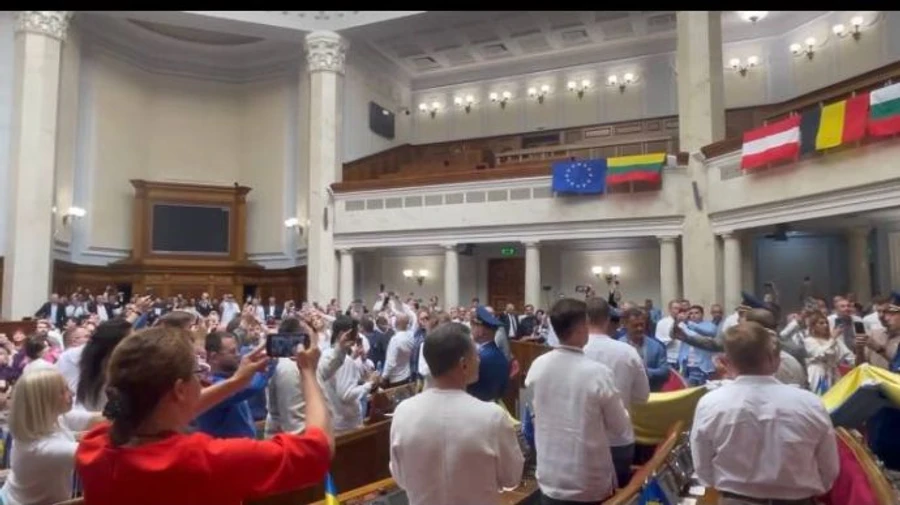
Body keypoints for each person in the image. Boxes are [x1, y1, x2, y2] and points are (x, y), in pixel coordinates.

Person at [75, 326, 334, 505]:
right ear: (179, 389)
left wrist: (235, 382)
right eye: (197, 372)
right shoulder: (207, 459)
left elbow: (159, 409)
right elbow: (318, 449)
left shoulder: (94, 447)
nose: (202, 379)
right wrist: (307, 372)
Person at [691, 322, 839, 505]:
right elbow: (829, 468)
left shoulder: (710, 403)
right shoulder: (810, 403)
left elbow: (703, 467)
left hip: (736, 500)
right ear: (774, 359)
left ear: (725, 362)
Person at [390, 322, 523, 505]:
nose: (479, 360)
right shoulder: (492, 416)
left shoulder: (403, 412)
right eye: (476, 355)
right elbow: (511, 478)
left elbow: (401, 478)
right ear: (464, 364)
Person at [525, 298, 631, 504]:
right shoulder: (597, 373)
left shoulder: (537, 365)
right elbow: (620, 427)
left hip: (550, 474)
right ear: (582, 327)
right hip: (586, 480)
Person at [1, 369, 103, 505]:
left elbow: (94, 419)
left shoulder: (48, 419)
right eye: (63, 391)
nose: (72, 393)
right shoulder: (44, 449)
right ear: (45, 400)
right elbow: (102, 454)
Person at [582, 297, 649, 488]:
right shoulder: (627, 352)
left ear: (584, 319)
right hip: (619, 438)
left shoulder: (575, 350)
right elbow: (642, 397)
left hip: (583, 437)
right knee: (618, 492)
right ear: (607, 319)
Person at [195, 331, 275, 438]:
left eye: (238, 350)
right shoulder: (209, 385)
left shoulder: (231, 377)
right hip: (225, 447)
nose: (238, 355)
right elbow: (250, 387)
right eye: (232, 352)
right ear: (214, 357)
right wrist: (268, 362)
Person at [317, 315, 379, 433]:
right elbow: (346, 395)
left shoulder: (326, 354)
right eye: (354, 333)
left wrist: (353, 357)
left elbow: (337, 376)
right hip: (347, 425)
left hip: (333, 420)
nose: (357, 336)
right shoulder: (346, 361)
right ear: (343, 334)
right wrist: (370, 383)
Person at [803, 311, 854, 395]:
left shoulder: (834, 340)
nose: (825, 325)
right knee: (821, 397)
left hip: (834, 373)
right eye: (821, 323)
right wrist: (833, 338)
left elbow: (848, 355)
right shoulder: (809, 341)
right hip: (818, 372)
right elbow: (822, 354)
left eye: (826, 323)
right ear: (813, 326)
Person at [618, 308, 669, 392]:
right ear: (625, 324)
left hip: (652, 393)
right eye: (635, 325)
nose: (640, 328)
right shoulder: (618, 346)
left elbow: (665, 372)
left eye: (642, 325)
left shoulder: (656, 346)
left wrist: (645, 372)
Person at [467, 306, 510, 403]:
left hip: (477, 405)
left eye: (473, 326)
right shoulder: (495, 353)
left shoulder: (481, 358)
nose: (471, 330)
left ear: (481, 331)